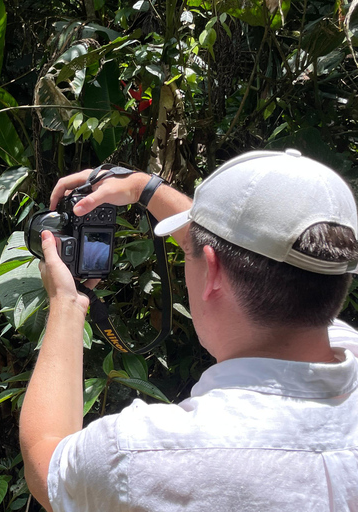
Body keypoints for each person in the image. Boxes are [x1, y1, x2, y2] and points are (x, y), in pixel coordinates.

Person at [19, 149, 358, 511]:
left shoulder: (140, 454)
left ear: (212, 271)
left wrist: (67, 304)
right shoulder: (345, 346)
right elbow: (240, 250)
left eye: (188, 252)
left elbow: (45, 464)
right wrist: (142, 188)